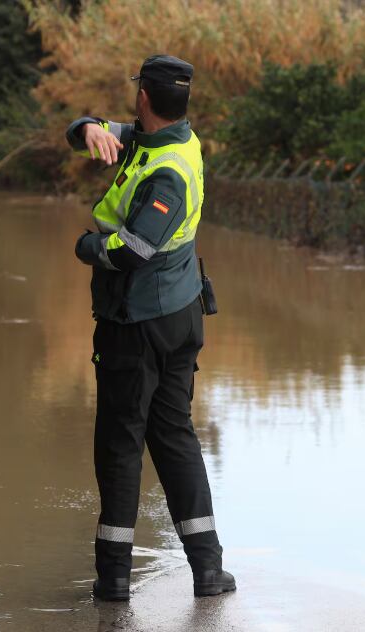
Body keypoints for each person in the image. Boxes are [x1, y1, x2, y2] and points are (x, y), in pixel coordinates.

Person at [66, 55, 235, 601]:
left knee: (120, 444)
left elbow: (134, 249)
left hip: (137, 325)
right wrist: (88, 127)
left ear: (143, 98)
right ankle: (208, 570)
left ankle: (113, 579)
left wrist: (88, 247)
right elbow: (88, 132)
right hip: (181, 316)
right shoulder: (172, 140)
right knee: (174, 436)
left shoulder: (165, 170)